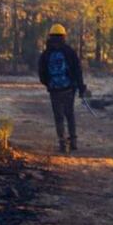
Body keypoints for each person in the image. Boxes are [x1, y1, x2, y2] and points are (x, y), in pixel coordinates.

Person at [38, 23, 87, 153]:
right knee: (69, 115)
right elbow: (78, 71)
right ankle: (73, 142)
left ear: (50, 36)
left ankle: (62, 143)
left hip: (55, 90)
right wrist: (81, 87)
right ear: (64, 36)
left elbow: (42, 74)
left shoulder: (45, 54)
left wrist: (49, 85)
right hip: (69, 89)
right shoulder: (69, 52)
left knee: (58, 117)